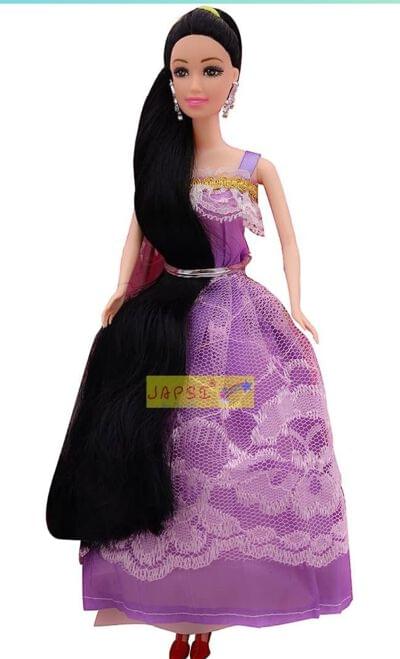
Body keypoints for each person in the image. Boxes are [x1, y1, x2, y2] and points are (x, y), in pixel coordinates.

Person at [46, 6, 353, 659]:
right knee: (174, 447)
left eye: (211, 69)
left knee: (237, 452)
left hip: (239, 324)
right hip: (167, 325)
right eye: (181, 70)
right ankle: (180, 613)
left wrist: (298, 304)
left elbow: (290, 241)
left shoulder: (254, 166)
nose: (194, 83)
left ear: (234, 76)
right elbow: (135, 236)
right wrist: (120, 290)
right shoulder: (163, 165)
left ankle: (214, 612)